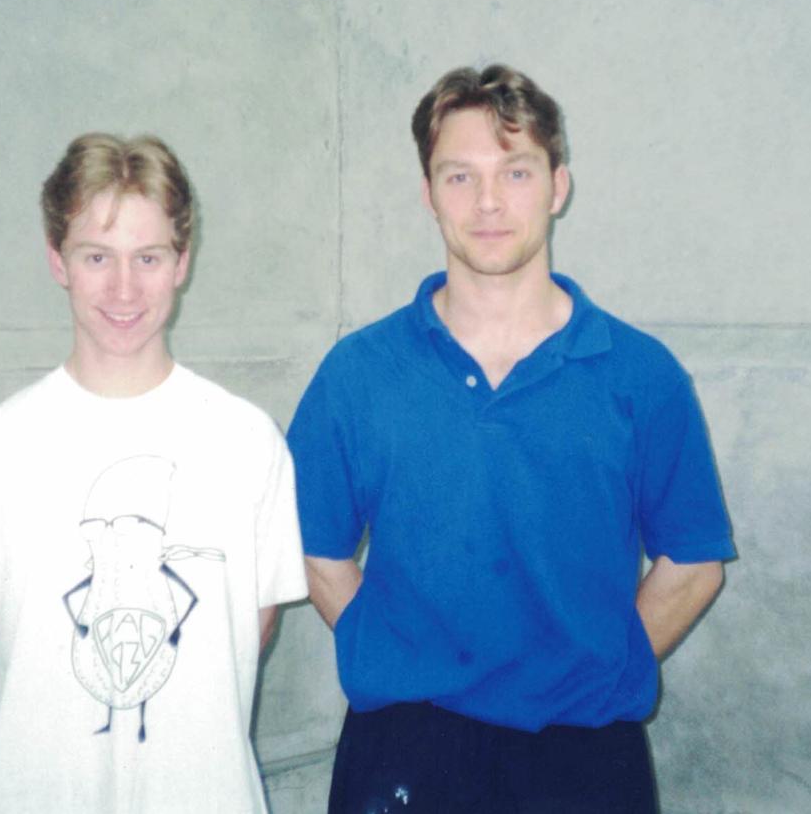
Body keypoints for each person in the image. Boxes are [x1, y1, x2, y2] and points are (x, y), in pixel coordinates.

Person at [288, 66, 736, 813]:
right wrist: (390, 641)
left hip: (585, 756)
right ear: (428, 193)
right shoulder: (360, 373)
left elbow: (693, 563)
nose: (489, 202)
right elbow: (312, 547)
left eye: (516, 171)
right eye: (459, 175)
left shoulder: (640, 375)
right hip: (402, 749)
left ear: (558, 185)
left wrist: (604, 661)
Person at [0, 133, 306, 813]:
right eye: (97, 256)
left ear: (182, 262)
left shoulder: (248, 443)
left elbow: (251, 625)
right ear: (56, 261)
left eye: (148, 257)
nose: (124, 288)